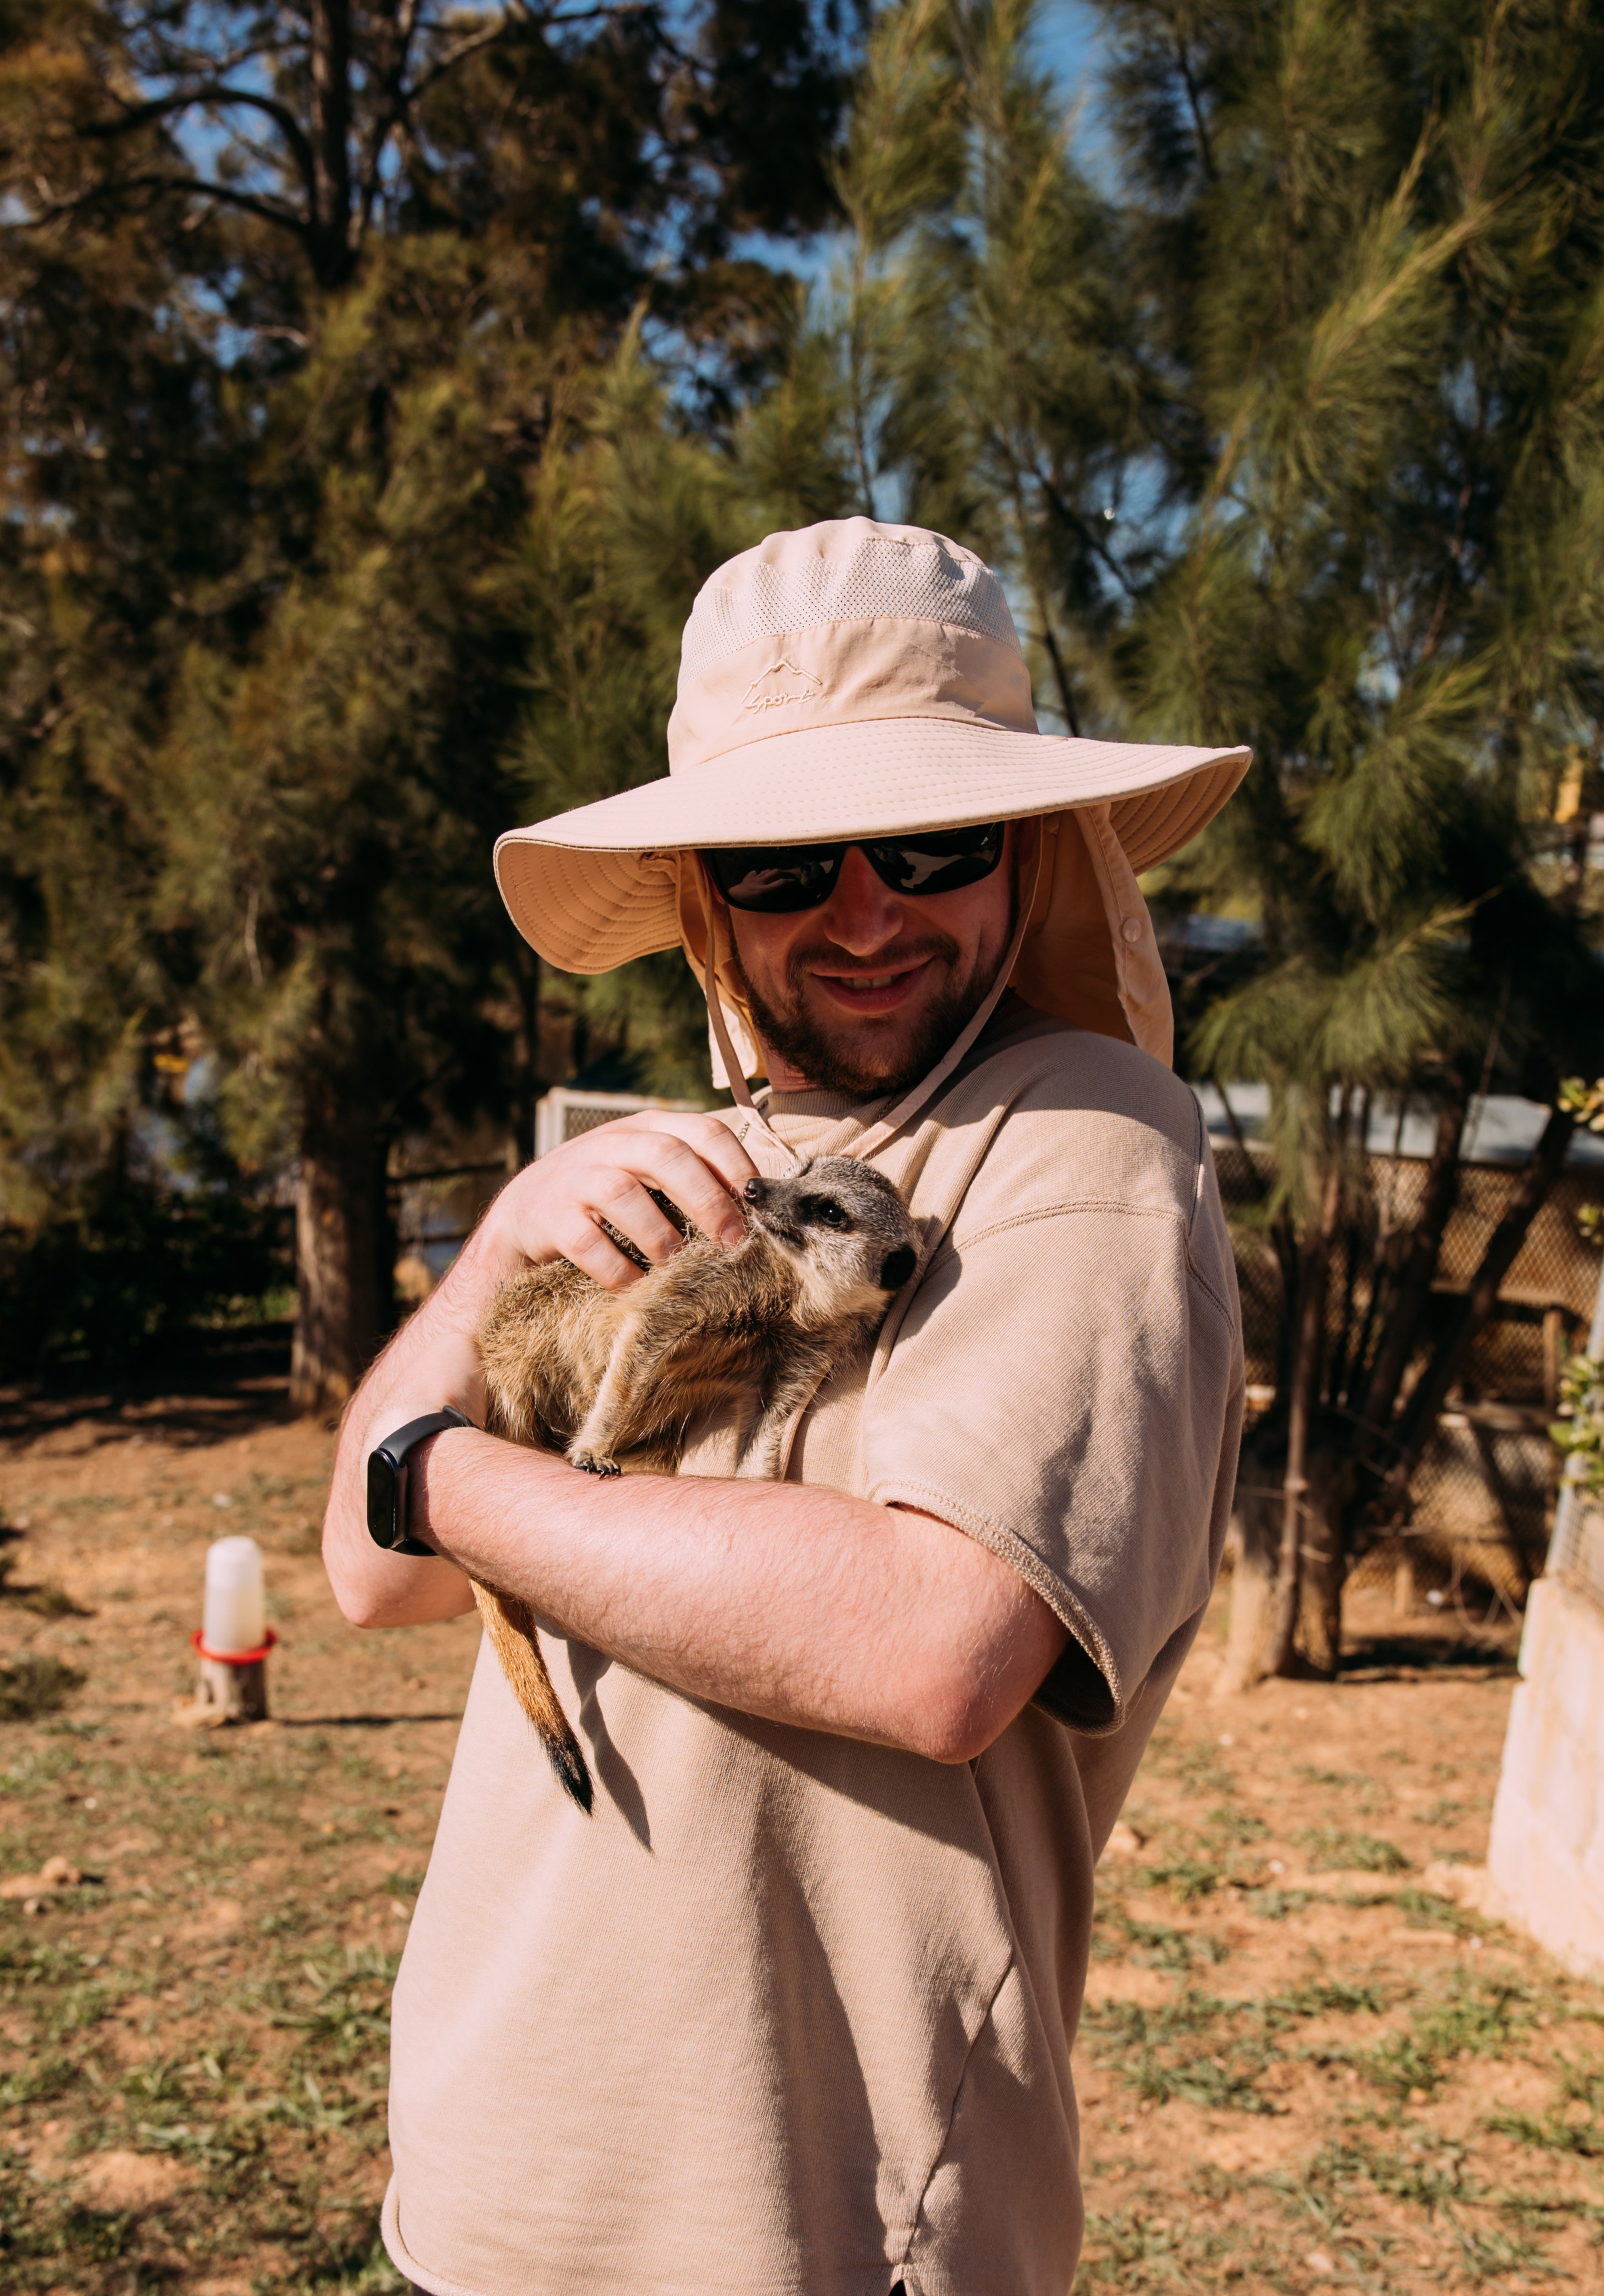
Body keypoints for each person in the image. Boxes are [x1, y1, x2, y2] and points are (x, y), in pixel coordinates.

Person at [322, 517, 1251, 2296]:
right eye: (778, 858)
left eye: (929, 837)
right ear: (701, 893)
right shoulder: (669, 1168)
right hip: (486, 2184)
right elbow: (370, 1581)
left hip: (806, 2229)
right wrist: (501, 1245)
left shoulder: (1085, 1135)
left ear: (1031, 853)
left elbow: (938, 1645)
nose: (864, 908)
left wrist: (441, 1480)